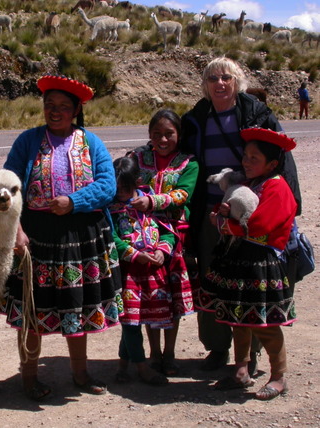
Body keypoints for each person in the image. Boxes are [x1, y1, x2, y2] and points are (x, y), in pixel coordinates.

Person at [1, 75, 122, 400]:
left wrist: (73, 202)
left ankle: (80, 373)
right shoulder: (28, 141)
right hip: (36, 237)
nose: (55, 112)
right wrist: (17, 229)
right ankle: (29, 377)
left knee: (76, 307)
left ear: (76, 110)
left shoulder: (91, 142)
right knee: (32, 309)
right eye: (50, 106)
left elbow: (108, 185)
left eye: (63, 107)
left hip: (79, 237)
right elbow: (8, 186)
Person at [181, 56, 301, 372]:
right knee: (214, 279)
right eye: (212, 79)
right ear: (205, 85)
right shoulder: (195, 119)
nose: (219, 83)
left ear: (237, 82)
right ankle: (218, 348)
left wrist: (291, 211)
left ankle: (253, 355)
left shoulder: (257, 114)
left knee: (250, 282)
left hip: (253, 212)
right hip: (211, 213)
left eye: (226, 77)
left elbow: (282, 162)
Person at [200, 127, 297, 400]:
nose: (246, 162)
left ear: (272, 164)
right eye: (246, 156)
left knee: (263, 325)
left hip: (260, 261)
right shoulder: (254, 184)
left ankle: (278, 377)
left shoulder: (277, 187)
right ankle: (241, 370)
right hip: (242, 258)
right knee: (238, 317)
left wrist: (222, 222)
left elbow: (259, 226)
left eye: (255, 158)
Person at [127, 109, 199, 377]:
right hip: (142, 236)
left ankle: (169, 353)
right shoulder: (137, 157)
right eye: (156, 134)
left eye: (169, 133)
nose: (163, 139)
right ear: (149, 135)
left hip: (172, 239)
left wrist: (153, 202)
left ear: (178, 135)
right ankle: (154, 353)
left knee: (170, 298)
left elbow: (183, 193)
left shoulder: (188, 163)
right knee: (148, 296)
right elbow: (124, 180)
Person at [109, 155, 180, 386]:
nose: (120, 192)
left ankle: (122, 366)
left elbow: (168, 230)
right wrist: (135, 254)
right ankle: (141, 367)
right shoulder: (109, 208)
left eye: (125, 187)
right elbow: (111, 238)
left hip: (152, 271)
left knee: (135, 319)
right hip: (127, 271)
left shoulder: (150, 202)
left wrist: (162, 250)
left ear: (137, 181)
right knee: (130, 320)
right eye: (116, 187)